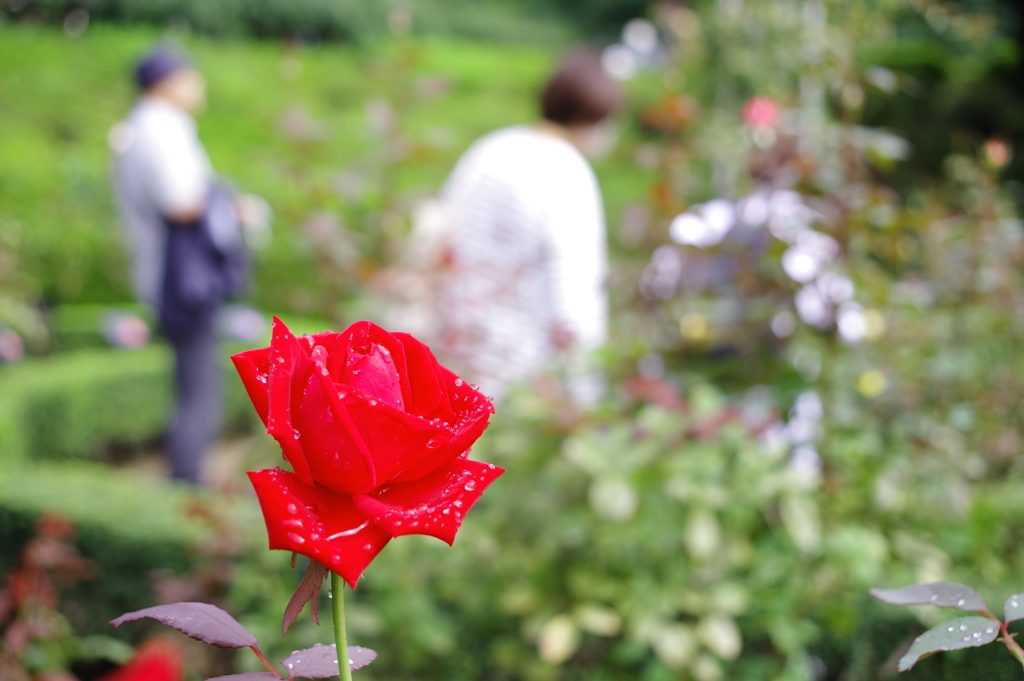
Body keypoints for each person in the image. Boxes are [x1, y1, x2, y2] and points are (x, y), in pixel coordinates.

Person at [420, 49, 622, 402]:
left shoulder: (493, 147)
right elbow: (575, 291)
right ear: (595, 115)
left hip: (458, 348)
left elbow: (439, 236)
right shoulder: (568, 171)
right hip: (522, 369)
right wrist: (586, 391)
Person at [109, 46, 246, 484]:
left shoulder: (143, 125)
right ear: (167, 83)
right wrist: (227, 203)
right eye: (190, 76)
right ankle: (185, 483)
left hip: (167, 272)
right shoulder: (161, 127)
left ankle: (184, 478)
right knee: (199, 389)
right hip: (182, 278)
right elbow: (182, 203)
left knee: (194, 384)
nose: (197, 86)